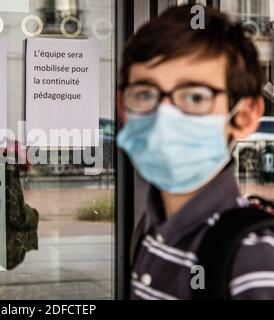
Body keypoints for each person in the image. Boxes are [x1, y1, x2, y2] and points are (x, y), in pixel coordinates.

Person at [117, 5, 274, 300]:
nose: (163, 116)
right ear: (123, 107)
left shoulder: (253, 261)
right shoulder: (152, 233)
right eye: (144, 94)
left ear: (245, 115)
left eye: (195, 96)